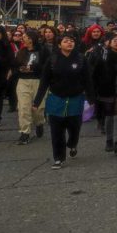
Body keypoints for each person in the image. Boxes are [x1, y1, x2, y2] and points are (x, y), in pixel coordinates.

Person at [32, 34, 94, 169]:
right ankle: (58, 158)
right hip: (56, 99)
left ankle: (72, 144)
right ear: (59, 45)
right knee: (56, 131)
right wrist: (37, 101)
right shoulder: (52, 59)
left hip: (75, 99)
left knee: (74, 128)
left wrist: (91, 98)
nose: (69, 43)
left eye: (72, 40)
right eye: (66, 41)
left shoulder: (81, 59)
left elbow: (88, 80)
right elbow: (44, 82)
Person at [14, 30, 47, 145]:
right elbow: (15, 65)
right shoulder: (21, 52)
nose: (23, 38)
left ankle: (39, 123)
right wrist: (19, 69)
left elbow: (47, 66)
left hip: (38, 81)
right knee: (23, 107)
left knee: (38, 108)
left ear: (32, 39)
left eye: (25, 37)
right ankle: (25, 132)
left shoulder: (43, 50)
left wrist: (34, 67)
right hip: (23, 81)